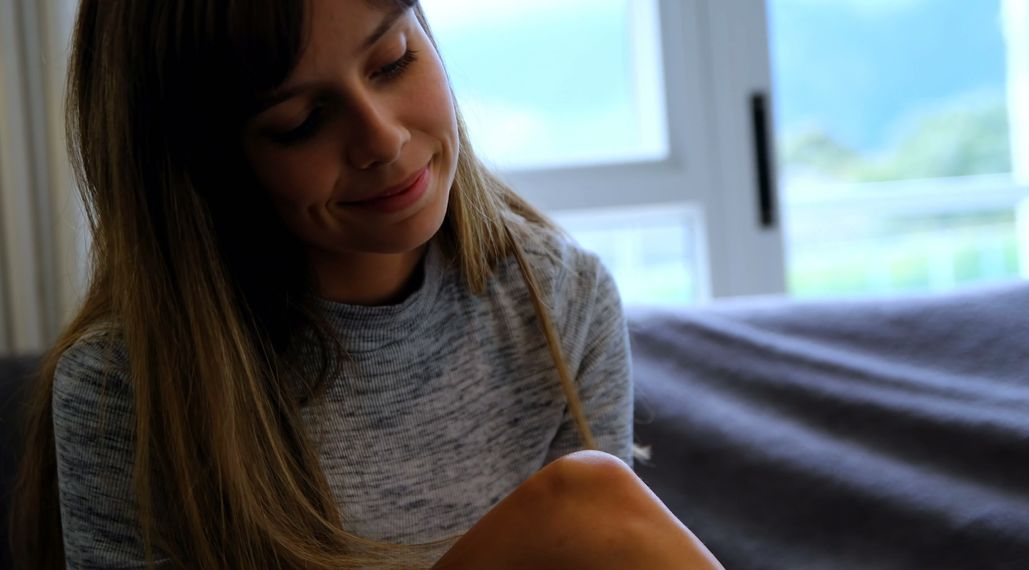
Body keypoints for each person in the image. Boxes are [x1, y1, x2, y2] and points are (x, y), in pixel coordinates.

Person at [10, 0, 724, 568]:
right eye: (300, 121)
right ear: (203, 170)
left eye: (391, 61)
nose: (380, 139)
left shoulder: (564, 302)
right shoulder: (124, 392)